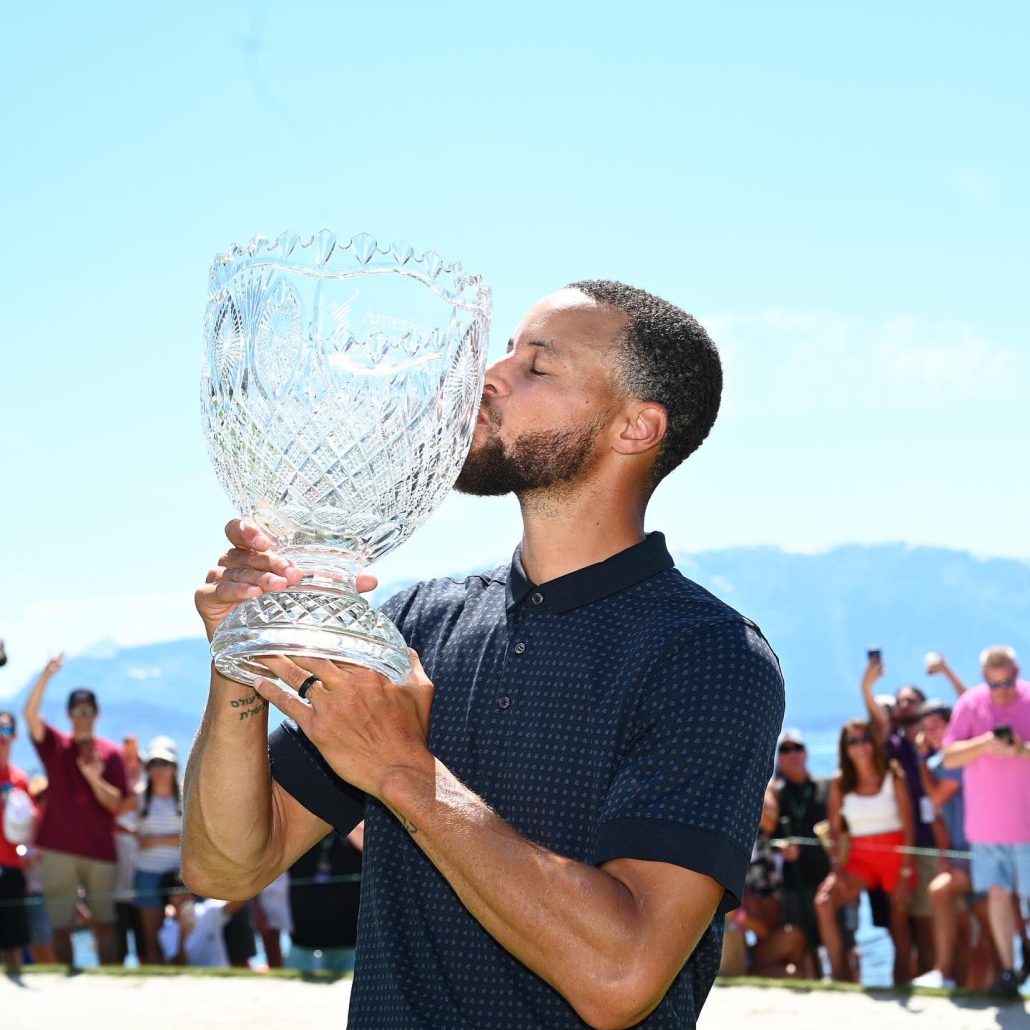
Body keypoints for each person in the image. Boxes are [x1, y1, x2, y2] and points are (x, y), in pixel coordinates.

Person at [183, 281, 786, 1027]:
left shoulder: (709, 656)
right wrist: (240, 657)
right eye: (503, 352)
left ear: (635, 426)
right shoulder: (413, 623)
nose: (488, 378)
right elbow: (225, 866)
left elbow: (621, 976)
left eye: (537, 365)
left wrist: (404, 772)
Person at [22, 654, 128, 965]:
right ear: (69, 714)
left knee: (105, 922)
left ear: (96, 713)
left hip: (99, 848)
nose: (83, 716)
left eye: (88, 710)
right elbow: (30, 715)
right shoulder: (56, 745)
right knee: (61, 925)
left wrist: (94, 778)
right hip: (58, 848)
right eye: (78, 711)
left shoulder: (112, 753)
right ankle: (67, 982)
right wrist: (46, 676)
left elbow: (116, 804)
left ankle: (111, 978)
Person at [942, 644, 1030, 1001]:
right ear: (984, 679)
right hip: (986, 827)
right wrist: (984, 744)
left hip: (1027, 826)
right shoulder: (970, 704)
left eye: (1008, 682)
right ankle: (1008, 971)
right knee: (996, 895)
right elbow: (949, 755)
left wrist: (1022, 750)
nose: (1003, 691)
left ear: (1017, 673)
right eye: (995, 684)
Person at [815, 718, 915, 984]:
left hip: (895, 856)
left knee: (899, 924)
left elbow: (909, 826)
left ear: (874, 742)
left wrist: (906, 871)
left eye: (865, 739)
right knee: (824, 902)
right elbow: (835, 832)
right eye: (853, 741)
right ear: (845, 748)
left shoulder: (893, 774)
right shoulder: (840, 782)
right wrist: (836, 870)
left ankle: (902, 986)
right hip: (860, 859)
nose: (860, 746)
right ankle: (841, 978)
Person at [911, 698, 996, 989]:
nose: (931, 732)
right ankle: (998, 979)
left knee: (941, 892)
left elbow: (936, 798)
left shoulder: (955, 760)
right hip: (963, 852)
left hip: (979, 851)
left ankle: (943, 972)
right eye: (926, 728)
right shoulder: (940, 761)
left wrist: (920, 760)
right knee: (985, 923)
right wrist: (945, 855)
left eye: (937, 725)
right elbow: (939, 816)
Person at [860, 659, 935, 973]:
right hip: (899, 847)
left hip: (932, 844)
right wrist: (867, 688)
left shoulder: (934, 743)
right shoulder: (892, 747)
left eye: (909, 701)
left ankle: (935, 981)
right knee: (901, 925)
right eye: (897, 702)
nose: (901, 707)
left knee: (928, 925)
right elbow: (877, 727)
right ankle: (911, 983)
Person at [760, 728, 831, 978]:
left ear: (806, 752)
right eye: (785, 750)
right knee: (803, 945)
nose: (793, 754)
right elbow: (769, 826)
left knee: (840, 941)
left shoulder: (825, 786)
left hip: (825, 877)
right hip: (792, 884)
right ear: (778, 756)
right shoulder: (775, 790)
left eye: (797, 748)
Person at [132, 736, 183, 964]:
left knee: (185, 934)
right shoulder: (138, 795)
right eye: (154, 763)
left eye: (165, 763)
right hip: (147, 873)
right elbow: (115, 815)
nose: (159, 769)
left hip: (181, 876)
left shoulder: (187, 793)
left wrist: (155, 840)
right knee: (152, 937)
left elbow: (196, 838)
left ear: (174, 767)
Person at [287, 826, 363, 973]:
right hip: (302, 945)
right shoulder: (302, 830)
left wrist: (340, 818)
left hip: (350, 945)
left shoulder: (353, 824)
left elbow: (370, 846)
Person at [0, 710, 35, 971]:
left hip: (12, 867)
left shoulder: (20, 779)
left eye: (6, 730)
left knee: (14, 940)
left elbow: (30, 823)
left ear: (15, 735)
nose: (1, 737)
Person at [113, 733, 145, 964]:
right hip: (118, 885)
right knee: (118, 947)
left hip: (144, 882)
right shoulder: (114, 797)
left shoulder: (148, 795)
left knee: (146, 944)